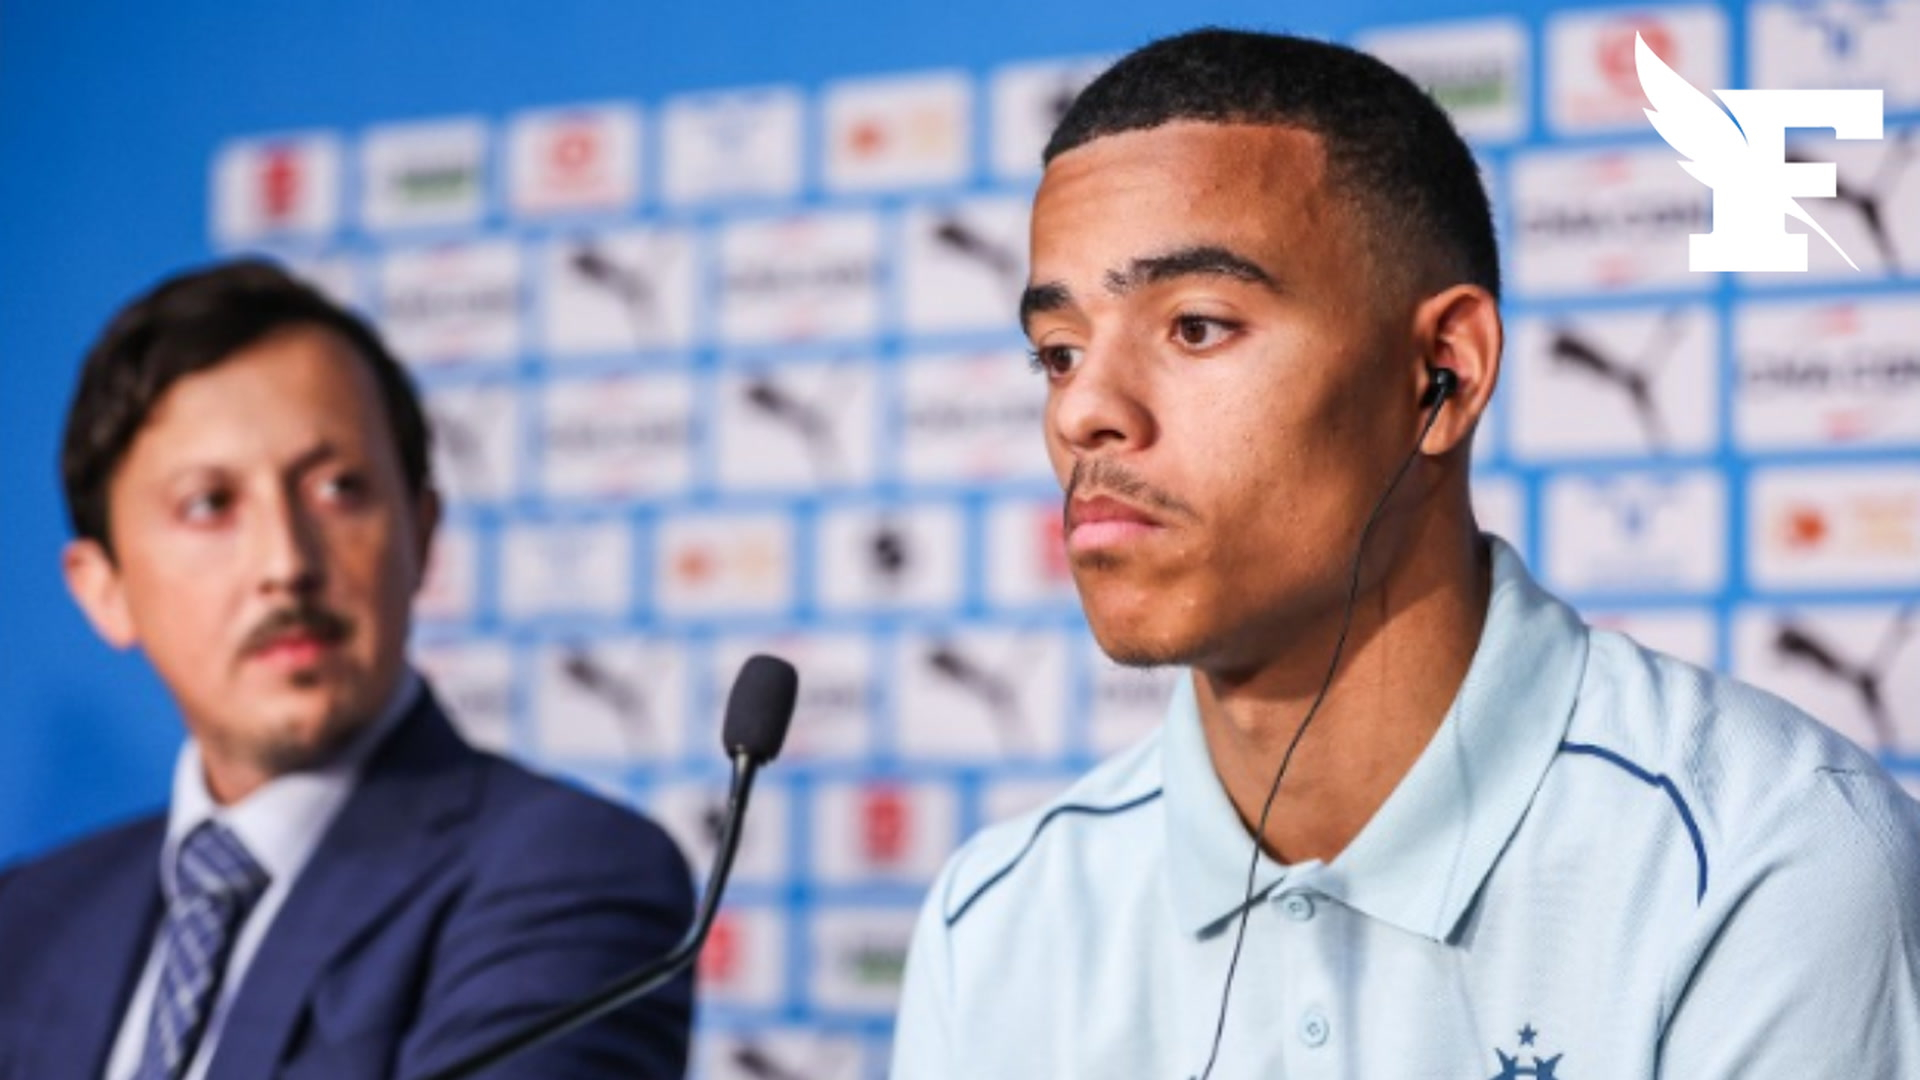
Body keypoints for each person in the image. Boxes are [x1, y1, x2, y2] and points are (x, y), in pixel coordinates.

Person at [892, 28, 1920, 1079]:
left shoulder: (1764, 865)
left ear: (1445, 372)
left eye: (1195, 326)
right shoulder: (996, 921)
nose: (1084, 413)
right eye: (1059, 353)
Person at [0, 261, 695, 1080]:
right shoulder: (26, 917)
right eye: (210, 504)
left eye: (338, 489)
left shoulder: (572, 877)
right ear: (104, 590)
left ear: (421, 533)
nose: (286, 563)